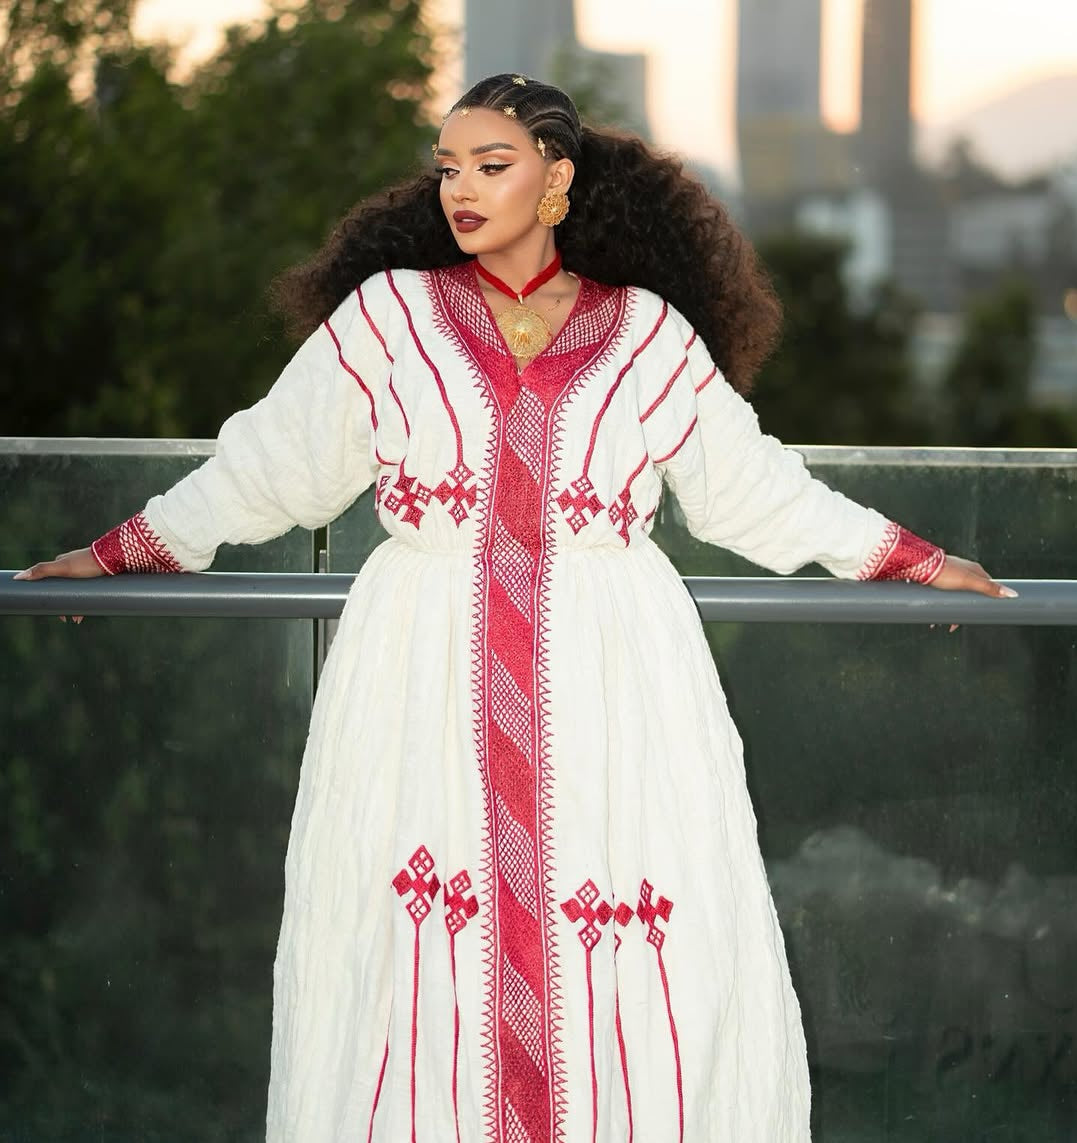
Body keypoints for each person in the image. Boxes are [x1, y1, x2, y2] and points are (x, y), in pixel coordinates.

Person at [15, 74, 1015, 1142]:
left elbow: (752, 488)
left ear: (556, 180)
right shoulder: (390, 318)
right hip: (420, 676)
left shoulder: (646, 335)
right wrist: (118, 552)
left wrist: (912, 562)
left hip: (612, 681)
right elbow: (268, 463)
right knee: (411, 962)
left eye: (491, 165)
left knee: (629, 942)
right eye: (448, 167)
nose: (461, 188)